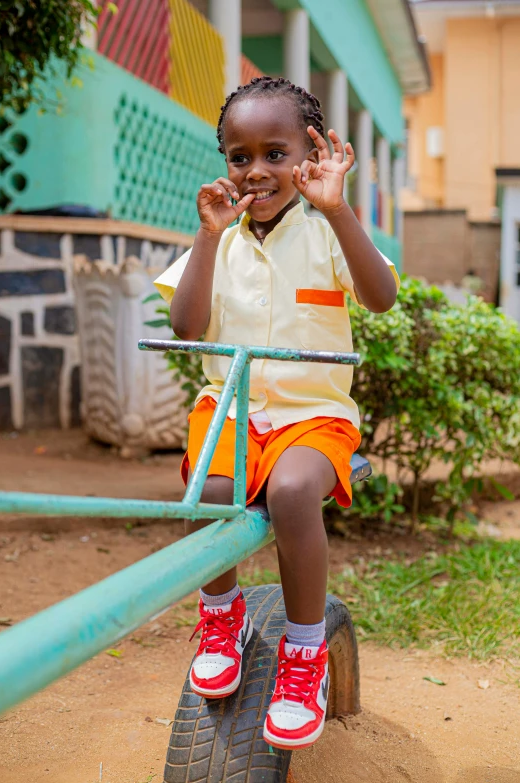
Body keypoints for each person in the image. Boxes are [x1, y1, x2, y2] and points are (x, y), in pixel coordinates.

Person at [154, 76, 399, 751]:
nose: (257, 170)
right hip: (230, 413)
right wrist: (207, 237)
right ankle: (221, 617)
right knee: (208, 490)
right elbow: (184, 324)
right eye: (240, 155)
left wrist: (343, 211)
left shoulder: (326, 233)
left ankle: (302, 652)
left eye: (276, 152)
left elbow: (379, 296)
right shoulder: (221, 239)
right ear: (225, 163)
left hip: (313, 415)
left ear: (308, 156)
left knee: (292, 491)